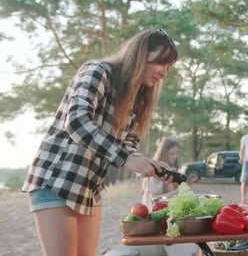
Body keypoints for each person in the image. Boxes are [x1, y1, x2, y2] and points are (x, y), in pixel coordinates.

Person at [21, 28, 179, 256]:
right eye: (161, 62)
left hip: (90, 188)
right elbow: (76, 120)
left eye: (169, 67)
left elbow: (128, 147)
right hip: (56, 180)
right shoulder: (97, 71)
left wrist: (150, 165)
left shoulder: (137, 97)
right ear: (140, 54)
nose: (164, 72)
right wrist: (125, 158)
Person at [141, 138, 180, 209]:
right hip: (153, 212)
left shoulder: (171, 169)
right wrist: (176, 193)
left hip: (163, 211)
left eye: (176, 153)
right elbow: (154, 199)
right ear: (163, 154)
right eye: (171, 153)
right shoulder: (156, 171)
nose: (175, 156)